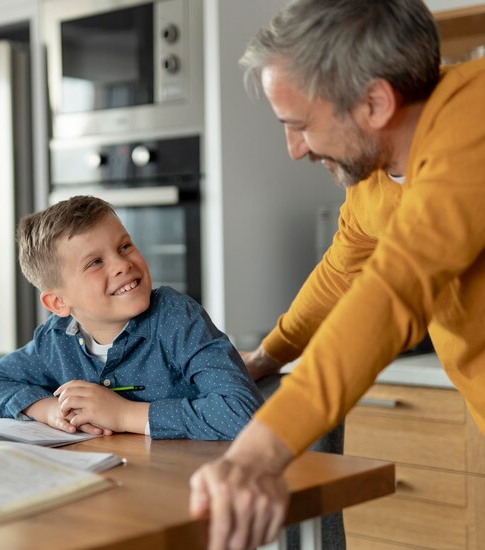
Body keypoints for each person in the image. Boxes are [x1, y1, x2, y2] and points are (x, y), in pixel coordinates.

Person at [189, 0, 485, 548]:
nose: (294, 148)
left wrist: (258, 451)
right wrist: (270, 354)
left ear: (374, 102)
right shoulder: (373, 182)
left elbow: (396, 289)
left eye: (300, 125)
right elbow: (343, 271)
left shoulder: (474, 119)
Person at [0, 196, 262, 440]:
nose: (123, 264)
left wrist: (123, 415)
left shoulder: (177, 318)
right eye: (95, 262)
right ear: (58, 302)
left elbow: (243, 413)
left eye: (124, 246)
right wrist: (49, 409)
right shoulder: (55, 339)